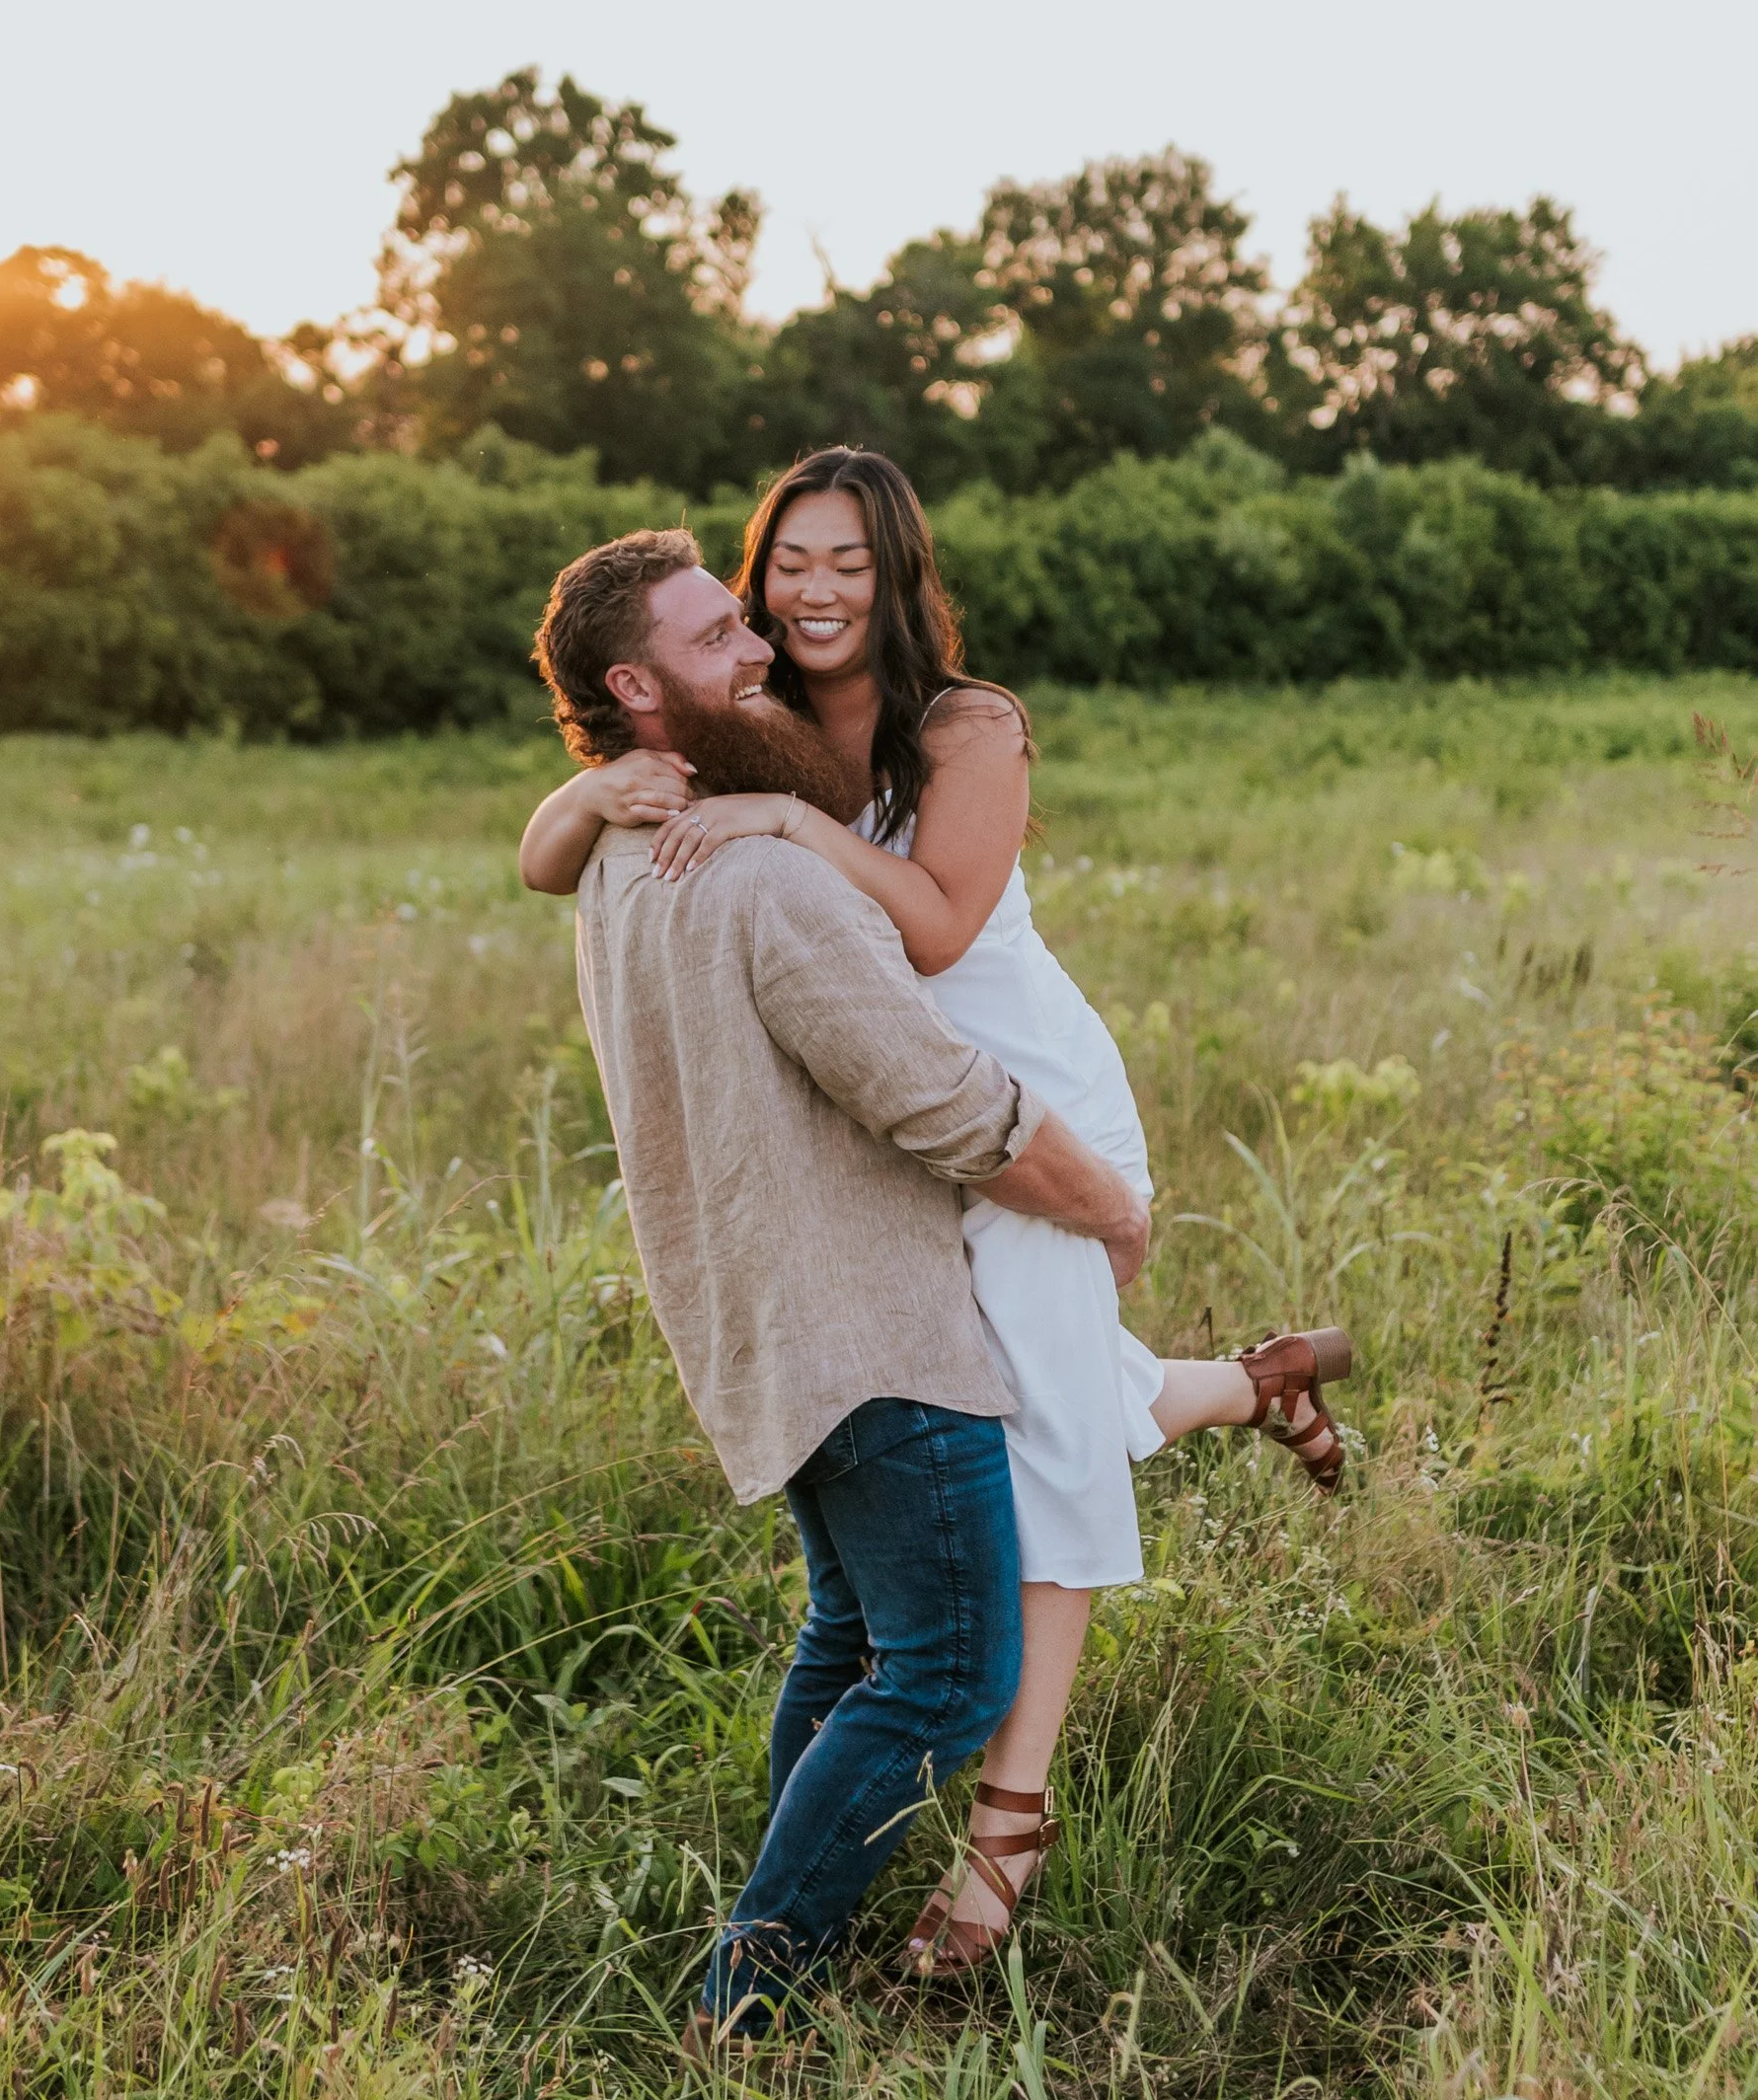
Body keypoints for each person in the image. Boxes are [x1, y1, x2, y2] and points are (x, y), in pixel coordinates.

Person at [522, 454, 1352, 1975]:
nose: (801, 601)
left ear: (899, 571)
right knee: (1010, 1435)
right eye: (781, 571)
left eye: (846, 563)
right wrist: (588, 786)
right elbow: (559, 846)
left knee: (1035, 1453)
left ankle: (1001, 1848)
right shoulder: (742, 740)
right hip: (925, 1138)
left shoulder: (950, 729)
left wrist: (785, 825)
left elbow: (944, 926)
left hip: (1026, 1108)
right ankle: (1253, 1383)